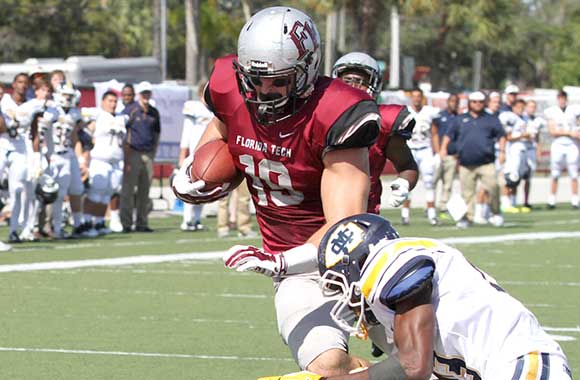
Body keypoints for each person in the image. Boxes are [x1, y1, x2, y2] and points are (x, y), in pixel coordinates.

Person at [173, 6, 381, 376]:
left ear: (308, 69)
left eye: (279, 80)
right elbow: (223, 136)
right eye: (254, 79)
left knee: (424, 357)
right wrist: (194, 176)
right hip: (294, 270)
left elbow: (345, 227)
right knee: (329, 366)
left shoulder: (335, 111)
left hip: (361, 258)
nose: (264, 90)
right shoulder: (229, 87)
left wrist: (281, 261)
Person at [262, 213, 571, 380]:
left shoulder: (389, 261)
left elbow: (413, 368)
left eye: (340, 282)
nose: (345, 297)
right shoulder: (403, 287)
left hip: (519, 366)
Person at [331, 52, 418, 215]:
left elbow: (407, 166)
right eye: (347, 80)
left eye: (360, 82)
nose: (353, 86)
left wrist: (404, 182)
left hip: (364, 212)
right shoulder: (318, 117)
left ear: (375, 85)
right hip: (318, 211)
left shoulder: (384, 121)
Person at [441, 91, 506, 228]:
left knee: (493, 186)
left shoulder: (491, 119)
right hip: (466, 163)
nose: (477, 104)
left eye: (480, 102)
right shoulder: (460, 119)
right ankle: (467, 218)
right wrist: (443, 149)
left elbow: (501, 135)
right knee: (468, 194)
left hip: (486, 162)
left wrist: (502, 152)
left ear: (485, 103)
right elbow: (449, 135)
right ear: (469, 103)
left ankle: (496, 213)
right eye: (474, 101)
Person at [45, 81, 87, 239]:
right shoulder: (51, 110)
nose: (68, 99)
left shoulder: (74, 113)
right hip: (54, 154)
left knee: (76, 190)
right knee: (59, 193)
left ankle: (77, 224)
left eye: (70, 96)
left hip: (68, 153)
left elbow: (75, 136)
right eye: (65, 95)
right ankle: (56, 228)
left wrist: (80, 158)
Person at [84, 91, 126, 235]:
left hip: (116, 161)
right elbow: (84, 130)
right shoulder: (97, 115)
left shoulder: (122, 117)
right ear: (102, 102)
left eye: (115, 101)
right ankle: (87, 222)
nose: (113, 104)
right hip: (100, 160)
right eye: (110, 101)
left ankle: (100, 222)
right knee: (95, 193)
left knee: (108, 193)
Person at [120, 81, 161, 232]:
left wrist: (153, 152)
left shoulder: (154, 112)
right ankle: (126, 223)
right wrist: (126, 155)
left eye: (148, 93)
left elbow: (156, 134)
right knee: (128, 190)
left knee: (145, 191)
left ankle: (142, 222)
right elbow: (123, 133)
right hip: (133, 153)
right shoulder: (130, 110)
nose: (146, 96)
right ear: (139, 94)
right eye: (143, 93)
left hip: (148, 154)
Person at [0, 73, 31, 242]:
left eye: (26, 83)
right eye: (19, 82)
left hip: (20, 148)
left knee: (18, 190)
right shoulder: (4, 100)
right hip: (2, 144)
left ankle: (14, 230)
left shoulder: (32, 104)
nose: (23, 86)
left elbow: (34, 130)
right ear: (13, 84)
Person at [402, 88, 440, 226]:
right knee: (406, 182)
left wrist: (438, 153)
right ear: (411, 98)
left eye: (419, 96)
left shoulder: (429, 112)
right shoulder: (405, 111)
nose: (417, 99)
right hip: (410, 148)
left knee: (429, 181)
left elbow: (434, 133)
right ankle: (405, 214)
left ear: (422, 98)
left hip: (425, 149)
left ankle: (431, 213)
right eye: (414, 96)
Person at [178, 83, 213, 231]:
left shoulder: (214, 110)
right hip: (194, 153)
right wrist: (182, 155)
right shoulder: (194, 108)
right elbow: (186, 133)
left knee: (204, 188)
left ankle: (197, 219)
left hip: (209, 154)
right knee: (190, 187)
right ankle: (187, 219)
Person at [500, 99, 539, 213]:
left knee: (518, 177)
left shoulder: (525, 118)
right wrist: (523, 135)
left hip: (523, 150)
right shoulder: (510, 117)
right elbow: (508, 137)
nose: (520, 109)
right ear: (513, 107)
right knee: (509, 176)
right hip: (512, 150)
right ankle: (505, 203)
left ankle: (513, 202)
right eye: (518, 107)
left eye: (522, 107)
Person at [544, 90, 580, 209]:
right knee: (555, 173)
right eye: (560, 98)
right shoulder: (552, 111)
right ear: (557, 99)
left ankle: (575, 200)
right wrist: (569, 132)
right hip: (558, 144)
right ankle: (551, 200)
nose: (562, 100)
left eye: (563, 98)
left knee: (574, 173)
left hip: (572, 144)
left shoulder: (574, 110)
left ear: (566, 99)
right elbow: (552, 131)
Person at [431, 93, 459, 217]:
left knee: (448, 184)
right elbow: (434, 133)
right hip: (438, 154)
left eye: (456, 101)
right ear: (448, 102)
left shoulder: (460, 117)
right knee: (432, 181)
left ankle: (443, 207)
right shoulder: (440, 116)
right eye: (451, 101)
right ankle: (430, 206)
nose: (453, 103)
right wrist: (437, 151)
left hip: (452, 155)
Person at [522, 100, 546, 209]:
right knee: (514, 177)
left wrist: (539, 151)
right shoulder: (521, 118)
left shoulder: (537, 120)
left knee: (528, 177)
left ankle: (526, 201)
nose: (532, 109)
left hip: (531, 149)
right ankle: (510, 201)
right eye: (530, 106)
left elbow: (537, 137)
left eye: (534, 107)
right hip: (521, 148)